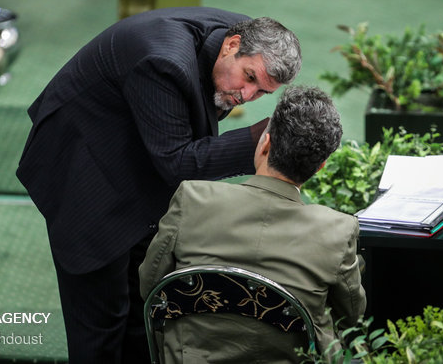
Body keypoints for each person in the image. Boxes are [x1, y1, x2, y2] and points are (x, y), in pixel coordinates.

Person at [16, 7, 302, 363]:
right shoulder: (161, 61)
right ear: (232, 45)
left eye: (262, 91)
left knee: (144, 313)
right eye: (248, 78)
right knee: (101, 326)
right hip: (82, 172)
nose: (246, 95)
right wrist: (260, 140)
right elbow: (176, 161)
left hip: (134, 157)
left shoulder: (246, 39)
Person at [139, 85, 367, 363]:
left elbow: (151, 285)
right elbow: (352, 319)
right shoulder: (336, 231)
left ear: (265, 143)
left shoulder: (192, 198)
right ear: (320, 167)